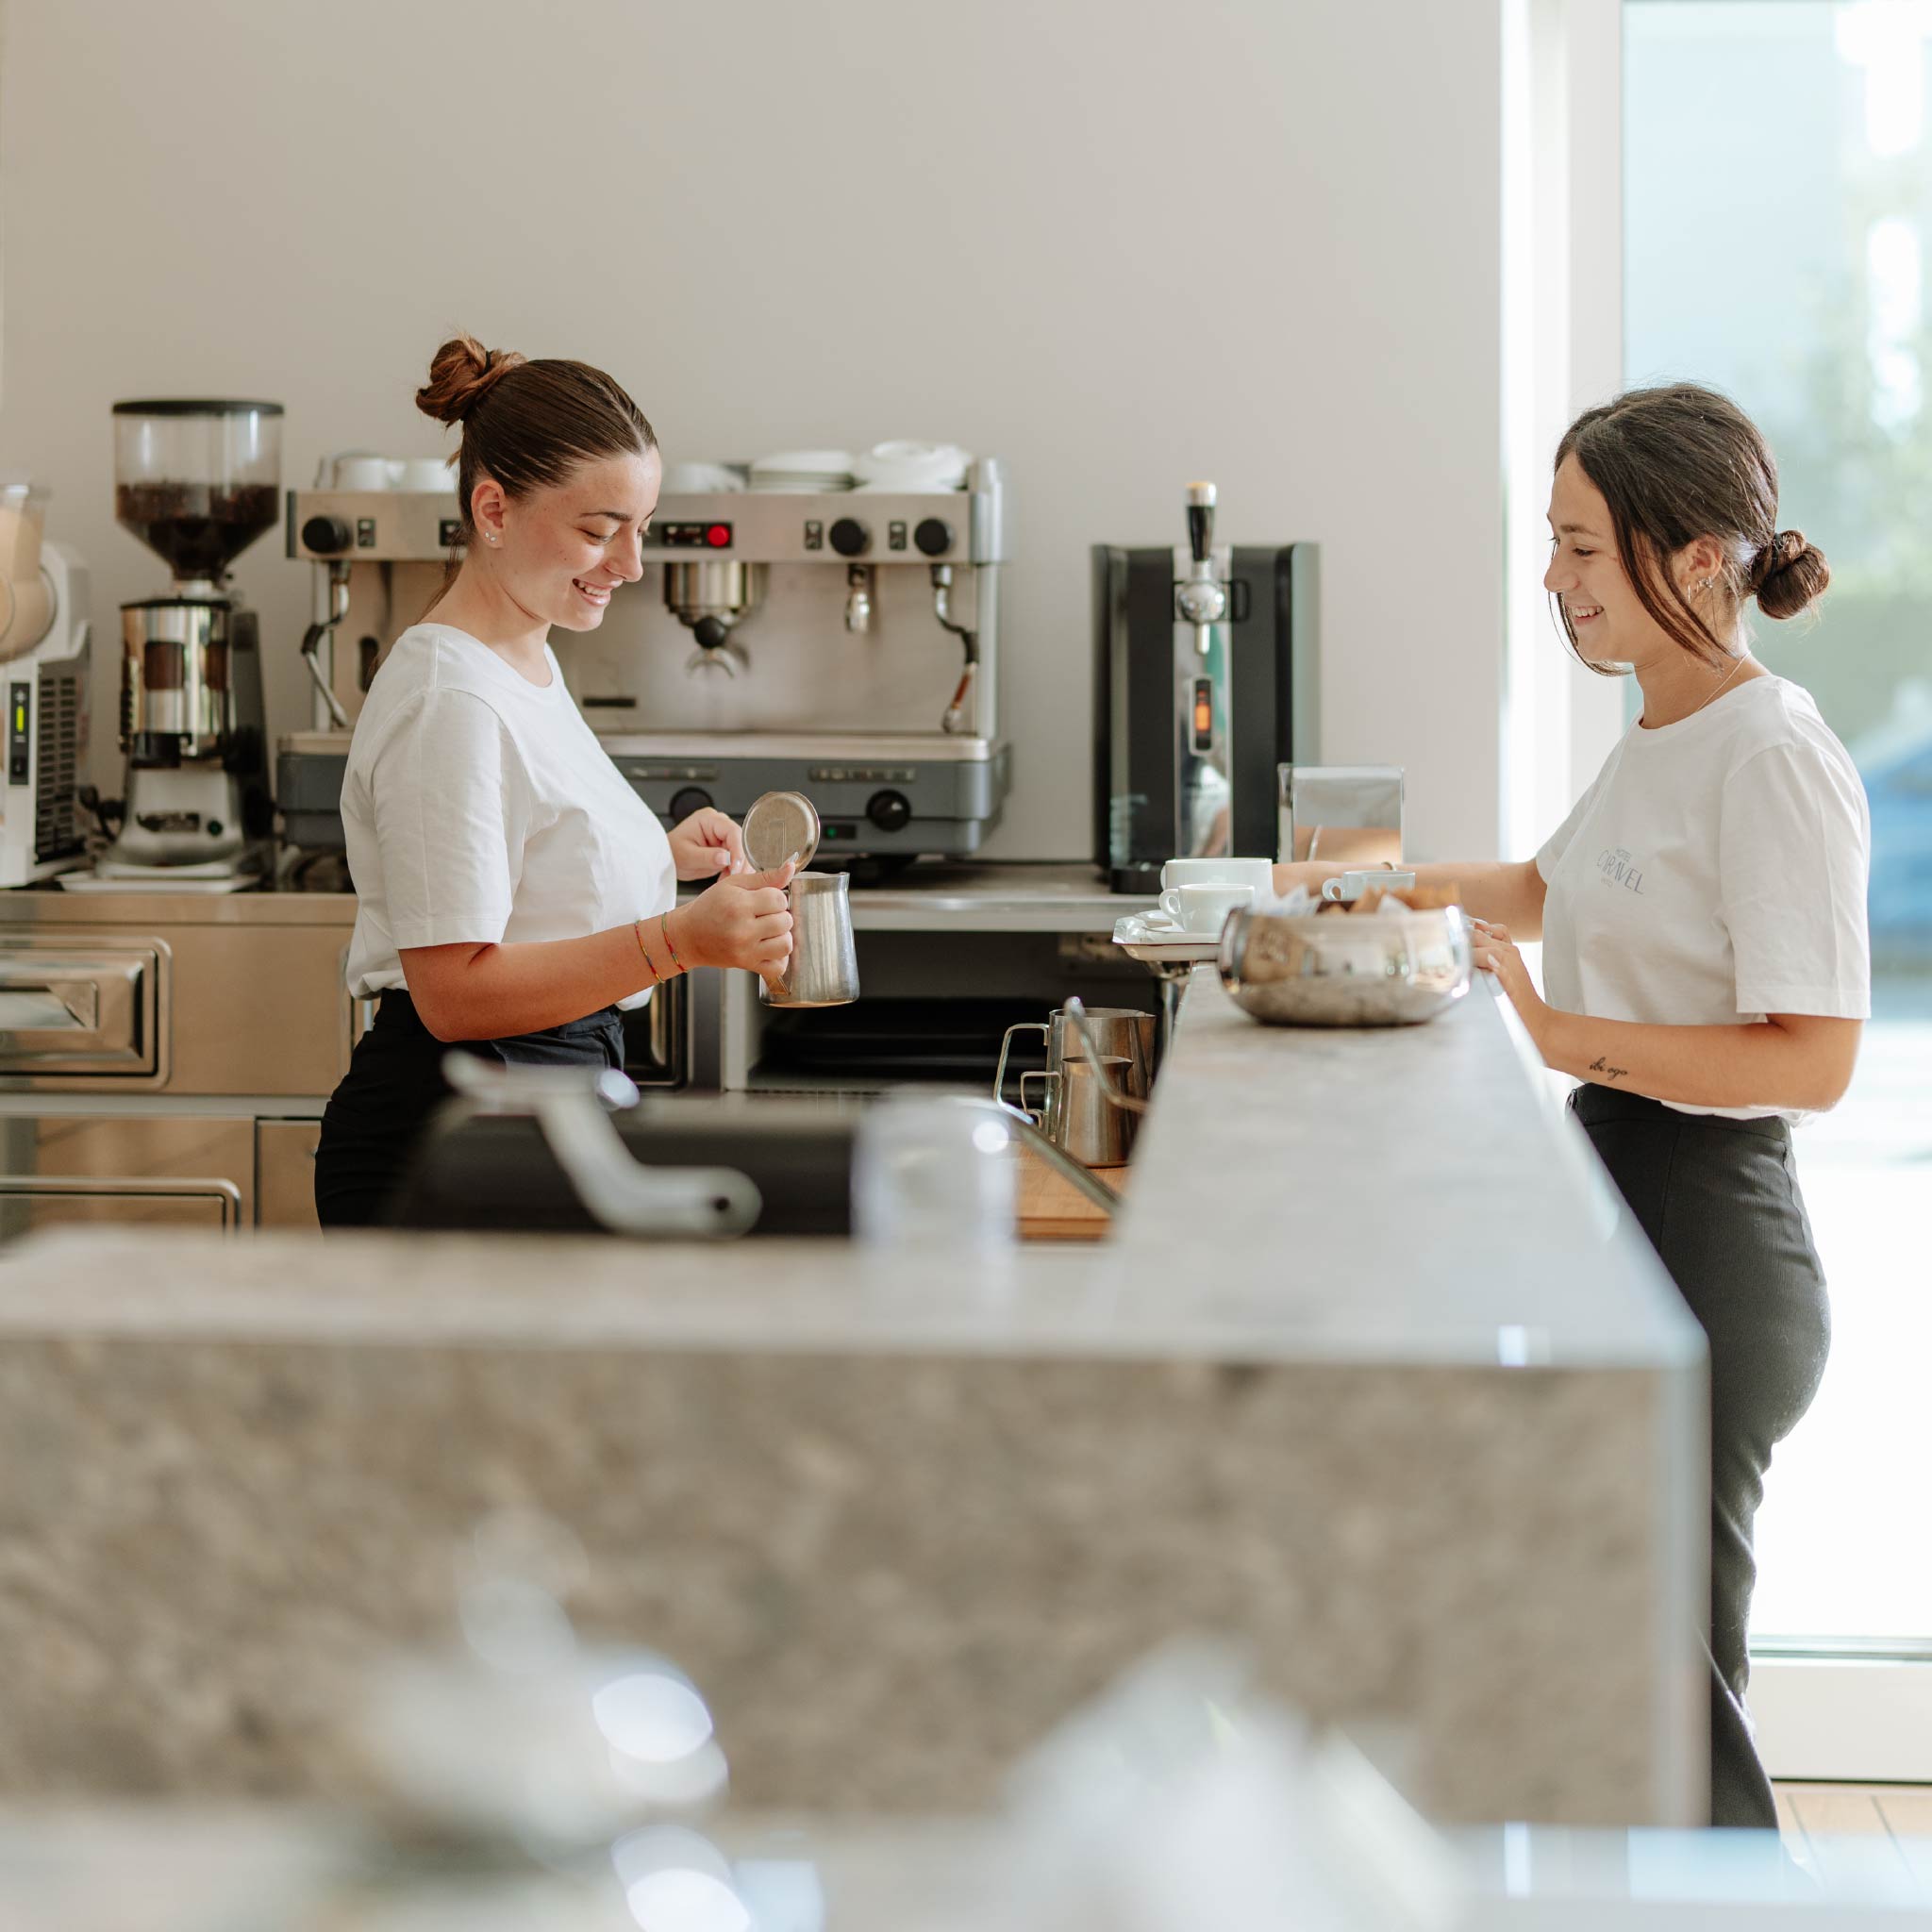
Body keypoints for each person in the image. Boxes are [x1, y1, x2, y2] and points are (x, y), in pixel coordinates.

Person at [1277, 383, 1870, 1827]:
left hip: (1709, 1240)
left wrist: (1551, 1035)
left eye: (1584, 550)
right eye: (1554, 545)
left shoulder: (1772, 755)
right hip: (1635, 1208)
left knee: (1671, 1691)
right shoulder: (1666, 734)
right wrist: (1338, 880)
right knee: (1644, 1672)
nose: (1553, 582)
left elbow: (1812, 1059)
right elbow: (1545, 893)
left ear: (1701, 558)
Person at [315, 336, 793, 1228]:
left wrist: (655, 858)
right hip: (449, 1133)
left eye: (639, 527)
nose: (631, 565)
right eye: (596, 528)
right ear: (493, 508)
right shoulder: (449, 699)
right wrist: (682, 940)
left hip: (533, 1109)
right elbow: (455, 992)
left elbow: (520, 869)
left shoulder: (521, 660)